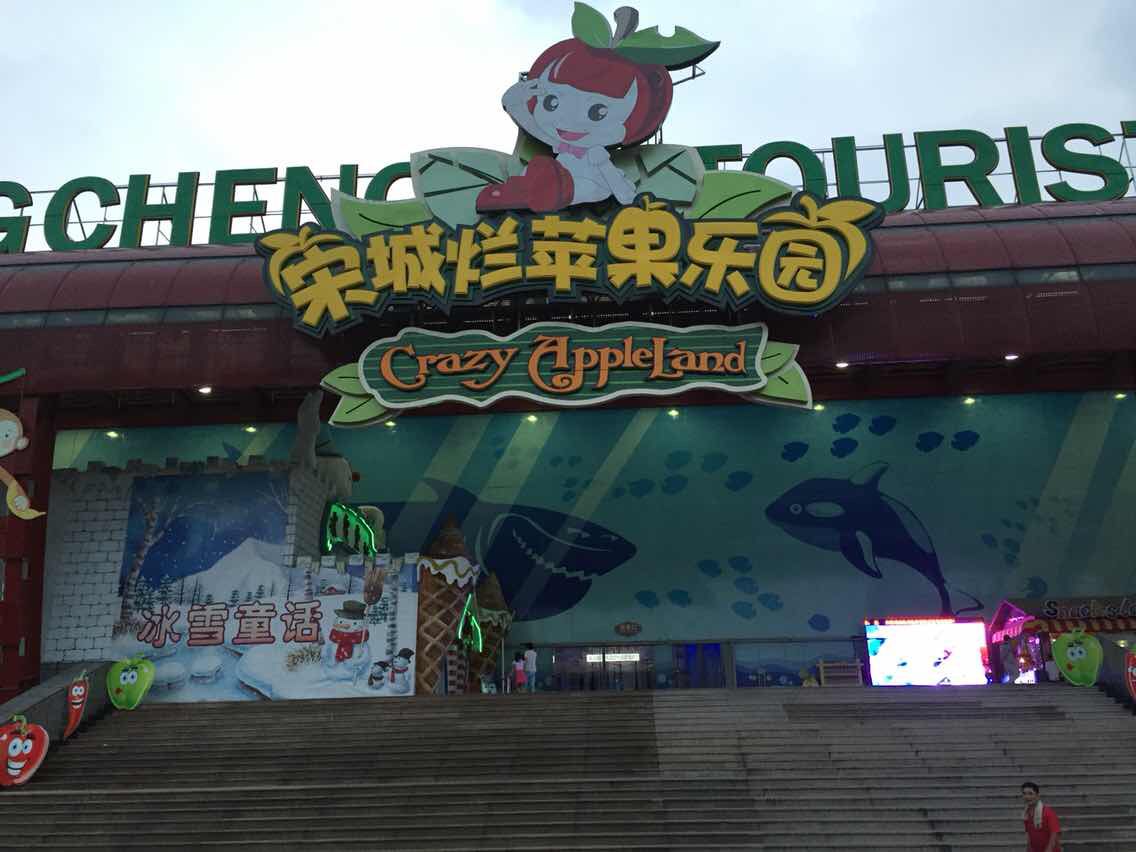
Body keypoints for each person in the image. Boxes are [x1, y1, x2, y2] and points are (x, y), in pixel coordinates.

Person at [1021, 781, 1061, 852]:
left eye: (1030, 794)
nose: (1027, 797)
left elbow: (1054, 834)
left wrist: (1048, 850)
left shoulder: (1048, 812)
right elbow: (1029, 835)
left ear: (1037, 795)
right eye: (1024, 794)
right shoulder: (1026, 814)